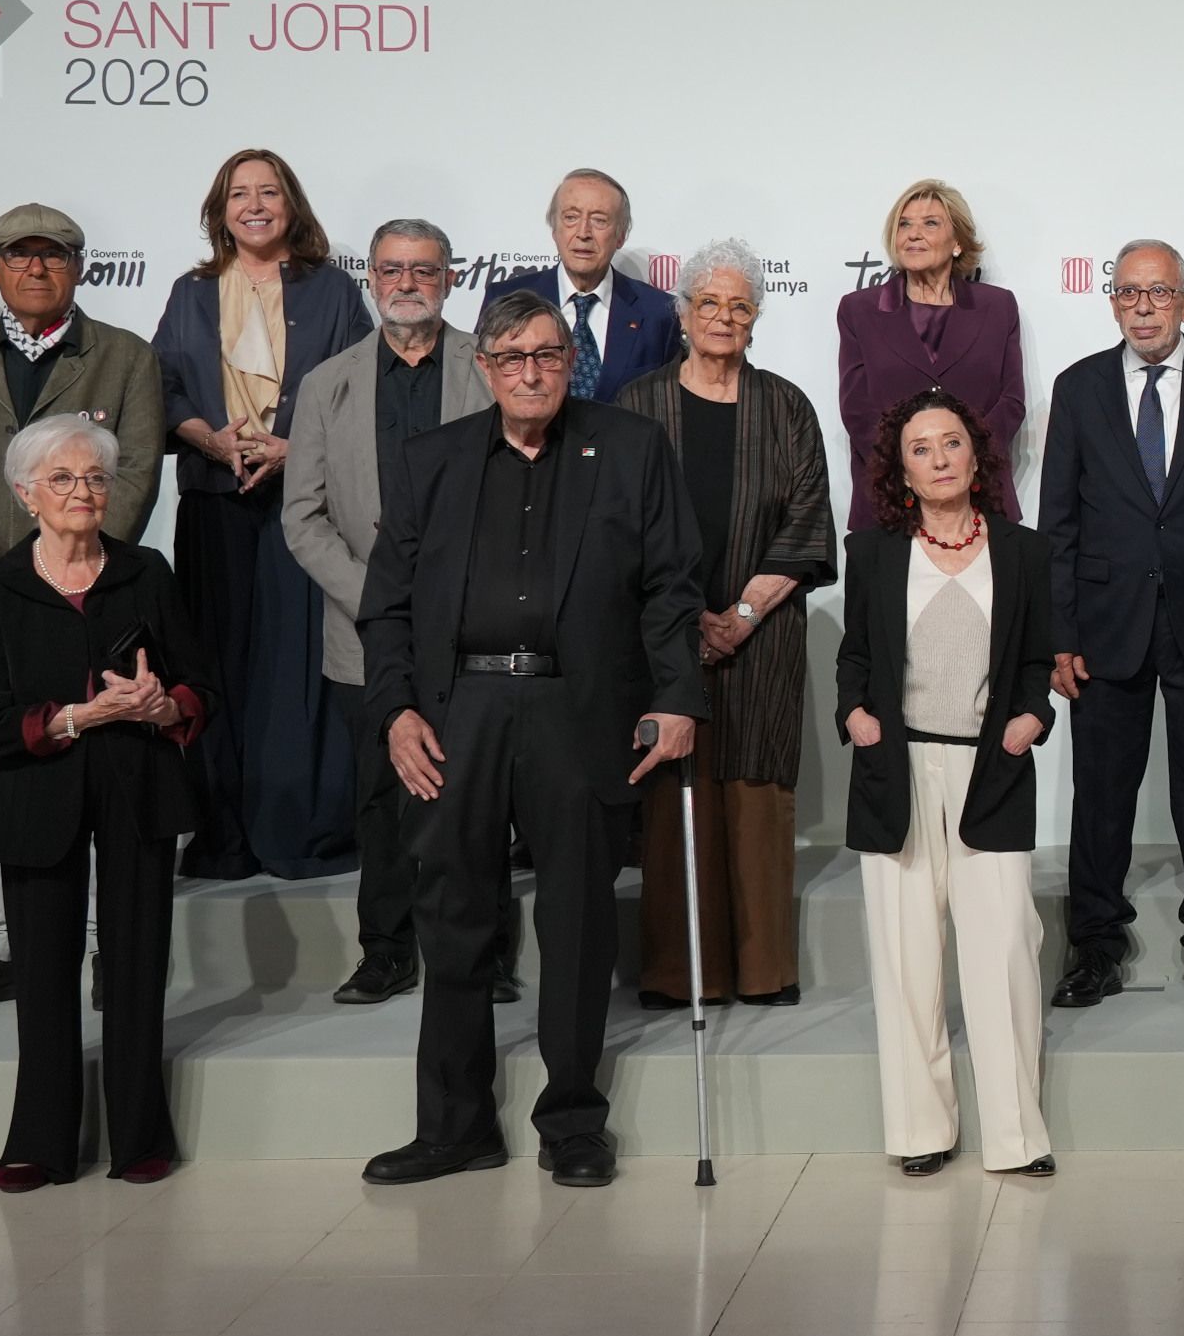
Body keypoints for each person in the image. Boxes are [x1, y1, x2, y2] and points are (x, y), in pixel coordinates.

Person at [355, 292, 703, 1189]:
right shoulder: (431, 460)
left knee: (579, 925)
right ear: (484, 367)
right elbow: (386, 605)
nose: (531, 373)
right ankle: (454, 1127)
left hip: (576, 712)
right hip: (456, 715)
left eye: (547, 355)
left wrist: (678, 698)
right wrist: (396, 711)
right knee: (454, 923)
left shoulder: (630, 449)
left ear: (569, 362)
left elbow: (671, 585)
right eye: (512, 357)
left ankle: (574, 1123)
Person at [0, 205, 167, 1013]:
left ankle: (99, 947)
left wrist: (56, 594)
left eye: (53, 255)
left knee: (98, 796)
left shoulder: (126, 357)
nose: (36, 269)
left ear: (78, 268)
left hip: (93, 621)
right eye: (19, 256)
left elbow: (131, 485)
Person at [0, 416, 204, 1192]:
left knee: (135, 968)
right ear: (26, 494)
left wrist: (163, 706)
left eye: (95, 478)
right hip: (38, 797)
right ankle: (41, 1141)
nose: (82, 492)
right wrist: (80, 717)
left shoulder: (147, 572)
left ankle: (138, 1136)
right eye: (62, 479)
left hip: (139, 787)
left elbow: (199, 686)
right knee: (42, 976)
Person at [840, 390, 1062, 1175]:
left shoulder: (1023, 551)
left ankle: (1016, 1138)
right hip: (896, 770)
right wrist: (855, 716)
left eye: (952, 443)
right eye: (921, 449)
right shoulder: (872, 553)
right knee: (907, 961)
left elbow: (1037, 659)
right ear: (901, 471)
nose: (939, 459)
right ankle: (921, 1134)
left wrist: (1032, 717)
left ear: (977, 455)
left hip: (990, 770)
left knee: (1005, 955)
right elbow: (856, 658)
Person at [1042, 242, 1184, 1010]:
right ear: (1113, 303)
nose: (1143, 307)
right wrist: (1059, 632)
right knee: (1101, 796)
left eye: (1159, 293)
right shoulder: (1078, 387)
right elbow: (1058, 520)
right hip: (1104, 624)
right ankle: (1094, 947)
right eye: (1129, 293)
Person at [281, 219, 497, 1006]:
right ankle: (387, 951)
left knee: (474, 797)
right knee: (380, 797)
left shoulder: (491, 367)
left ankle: (481, 951)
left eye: (424, 270)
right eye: (392, 269)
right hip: (364, 631)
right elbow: (302, 516)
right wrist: (376, 600)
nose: (408, 283)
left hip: (475, 625)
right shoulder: (326, 383)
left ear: (451, 278)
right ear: (370, 278)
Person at [620, 244, 838, 1009]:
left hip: (763, 636)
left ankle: (763, 970)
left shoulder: (786, 406)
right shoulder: (637, 405)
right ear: (682, 314)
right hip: (661, 634)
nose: (723, 317)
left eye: (740, 305)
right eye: (708, 303)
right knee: (672, 798)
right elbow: (618, 528)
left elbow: (809, 524)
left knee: (754, 799)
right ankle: (681, 975)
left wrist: (741, 614)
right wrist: (687, 619)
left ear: (756, 318)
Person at [151, 149, 367, 882]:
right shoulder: (190, 291)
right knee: (217, 663)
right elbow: (163, 387)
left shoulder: (334, 290)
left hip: (303, 505)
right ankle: (224, 834)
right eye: (239, 193)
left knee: (296, 666)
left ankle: (303, 831)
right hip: (215, 500)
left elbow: (359, 390)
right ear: (220, 210)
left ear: (290, 204)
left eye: (268, 192)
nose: (254, 205)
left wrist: (295, 449)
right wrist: (207, 439)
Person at [836, 178, 1027, 520]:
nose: (913, 234)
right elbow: (857, 410)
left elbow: (1011, 402)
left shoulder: (998, 307)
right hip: (891, 500)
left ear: (958, 242)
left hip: (981, 499)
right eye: (904, 224)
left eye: (930, 223)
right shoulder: (858, 310)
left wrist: (963, 462)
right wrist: (911, 468)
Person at [483, 168, 677, 401]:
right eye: (571, 218)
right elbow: (483, 391)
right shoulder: (504, 298)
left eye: (599, 220)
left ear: (621, 235)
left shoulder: (659, 312)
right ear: (554, 229)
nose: (583, 233)